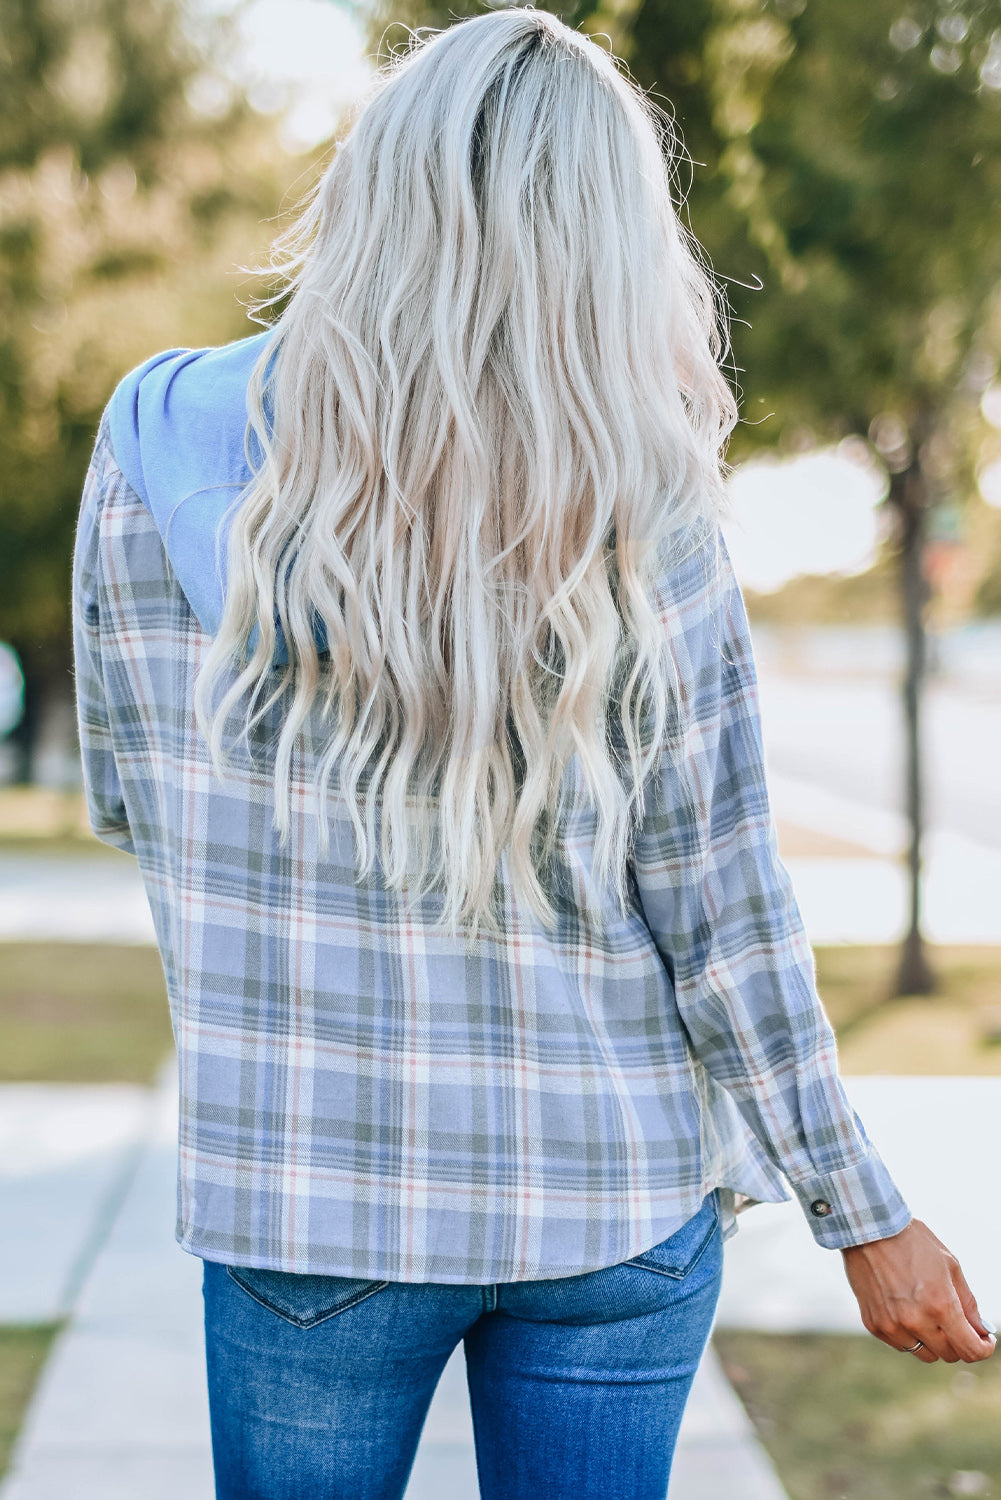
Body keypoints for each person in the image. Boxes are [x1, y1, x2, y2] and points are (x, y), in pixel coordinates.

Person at [71, 9, 994, 1499]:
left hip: (310, 1195)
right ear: (609, 235)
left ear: (375, 186)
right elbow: (723, 912)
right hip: (607, 1196)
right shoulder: (648, 505)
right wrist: (859, 1211)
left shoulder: (155, 437)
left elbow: (134, 797)